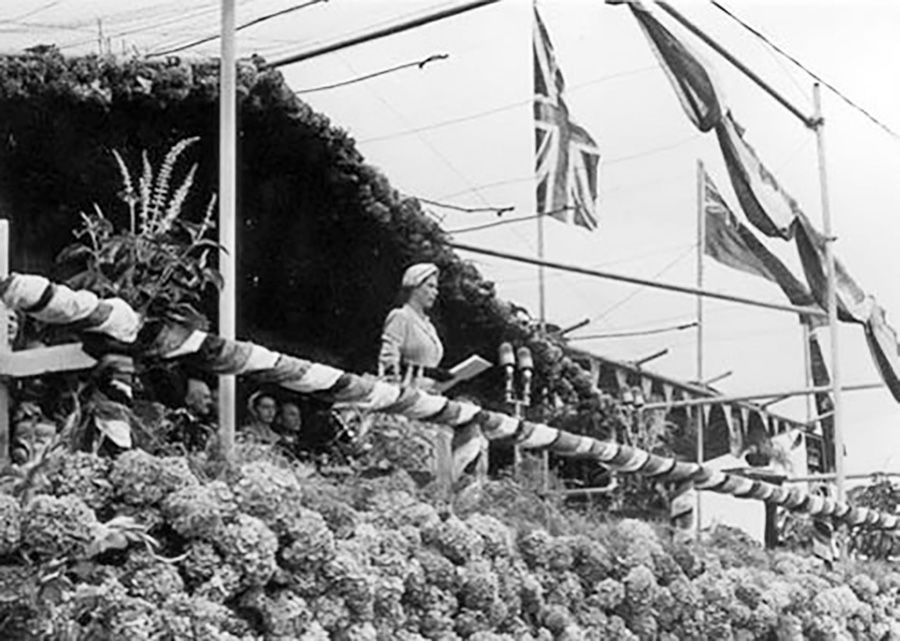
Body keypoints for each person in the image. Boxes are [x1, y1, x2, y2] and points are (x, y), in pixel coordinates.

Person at [378, 262, 445, 387]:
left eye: (436, 288)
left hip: (428, 395)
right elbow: (388, 360)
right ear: (415, 287)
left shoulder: (430, 327)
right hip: (405, 395)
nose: (435, 292)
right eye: (430, 286)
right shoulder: (401, 316)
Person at [167, 378, 216, 452]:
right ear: (192, 399)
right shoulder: (177, 421)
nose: (210, 402)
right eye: (205, 397)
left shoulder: (206, 427)